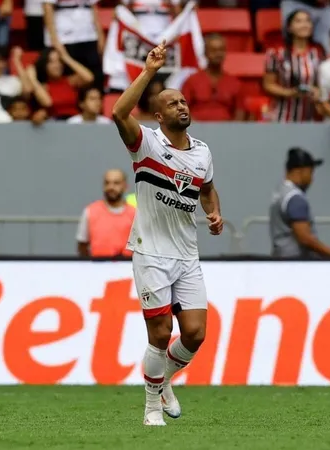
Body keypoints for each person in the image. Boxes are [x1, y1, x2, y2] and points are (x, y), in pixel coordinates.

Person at [111, 40, 223, 426]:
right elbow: (118, 111)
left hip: (187, 253)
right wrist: (149, 72)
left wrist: (215, 212)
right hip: (151, 252)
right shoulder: (146, 144)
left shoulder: (202, 152)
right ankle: (150, 406)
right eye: (173, 103)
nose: (182, 106)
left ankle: (163, 381)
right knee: (160, 335)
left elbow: (206, 188)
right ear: (159, 116)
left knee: (194, 334)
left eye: (184, 102)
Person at [269, 148, 330, 258]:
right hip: (296, 262)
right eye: (310, 172)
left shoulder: (280, 192)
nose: (311, 179)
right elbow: (305, 238)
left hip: (280, 258)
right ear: (298, 171)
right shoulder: (295, 198)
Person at [263, 9, 324, 123]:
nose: (304, 25)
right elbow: (268, 85)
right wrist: (290, 93)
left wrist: (318, 92)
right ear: (289, 28)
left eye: (307, 21)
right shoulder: (276, 53)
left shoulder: (318, 53)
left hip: (311, 118)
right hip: (282, 117)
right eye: (298, 21)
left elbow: (323, 83)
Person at [180, 33, 246, 122]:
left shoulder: (235, 83)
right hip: (195, 131)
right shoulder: (191, 81)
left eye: (221, 50)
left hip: (226, 132)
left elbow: (240, 114)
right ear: (205, 53)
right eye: (213, 50)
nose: (218, 54)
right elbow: (181, 110)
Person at [76, 169, 135, 257]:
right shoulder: (90, 211)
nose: (111, 187)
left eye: (116, 183)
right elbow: (82, 246)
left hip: (127, 268)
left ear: (125, 186)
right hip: (98, 268)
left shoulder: (135, 214)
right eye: (107, 183)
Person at [27, 46, 94, 120]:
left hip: (75, 123)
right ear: (44, 65)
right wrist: (32, 79)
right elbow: (47, 102)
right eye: (51, 62)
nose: (57, 65)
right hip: (55, 125)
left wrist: (66, 57)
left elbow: (89, 78)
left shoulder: (70, 81)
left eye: (59, 61)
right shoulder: (43, 86)